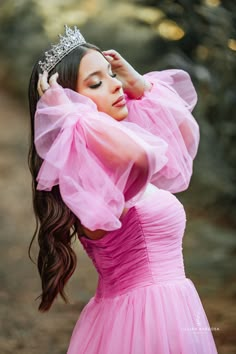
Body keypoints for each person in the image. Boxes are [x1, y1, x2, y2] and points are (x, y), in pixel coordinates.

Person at [28, 25, 218, 353]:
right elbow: (141, 159)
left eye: (110, 74)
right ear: (70, 104)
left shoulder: (104, 166)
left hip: (167, 308)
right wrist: (69, 117)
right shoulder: (92, 180)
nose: (116, 86)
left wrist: (141, 87)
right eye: (96, 82)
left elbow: (184, 139)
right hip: (144, 320)